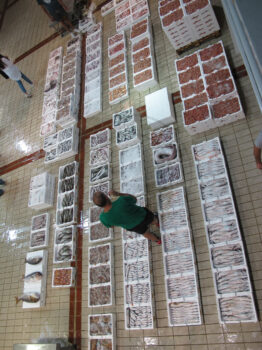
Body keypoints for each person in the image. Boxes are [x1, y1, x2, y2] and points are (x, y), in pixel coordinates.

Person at [93, 190, 162, 244]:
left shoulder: (103, 218)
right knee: (152, 219)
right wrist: (118, 194)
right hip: (143, 215)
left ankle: (157, 240)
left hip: (133, 226)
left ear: (99, 206)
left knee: (146, 233)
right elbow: (134, 199)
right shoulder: (121, 200)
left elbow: (111, 226)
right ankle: (156, 223)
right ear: (106, 197)